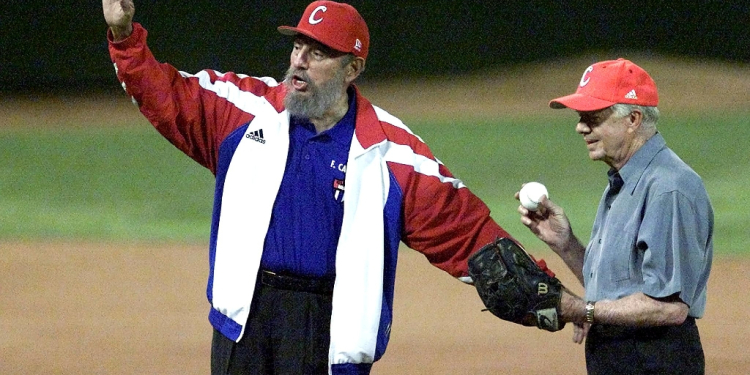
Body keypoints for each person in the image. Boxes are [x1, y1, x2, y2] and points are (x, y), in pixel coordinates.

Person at [102, 1, 538, 374]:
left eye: (319, 52)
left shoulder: (389, 152)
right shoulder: (244, 112)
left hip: (325, 328)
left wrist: (549, 295)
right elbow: (167, 96)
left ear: (353, 68)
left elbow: (464, 230)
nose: (299, 61)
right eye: (297, 46)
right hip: (241, 322)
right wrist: (124, 36)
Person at [518, 58, 714, 374]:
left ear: (633, 118)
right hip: (620, 354)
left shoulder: (669, 187)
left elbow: (668, 308)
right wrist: (566, 244)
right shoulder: (623, 182)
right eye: (581, 117)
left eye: (592, 117)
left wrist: (579, 310)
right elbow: (619, 286)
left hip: (654, 359)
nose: (580, 126)